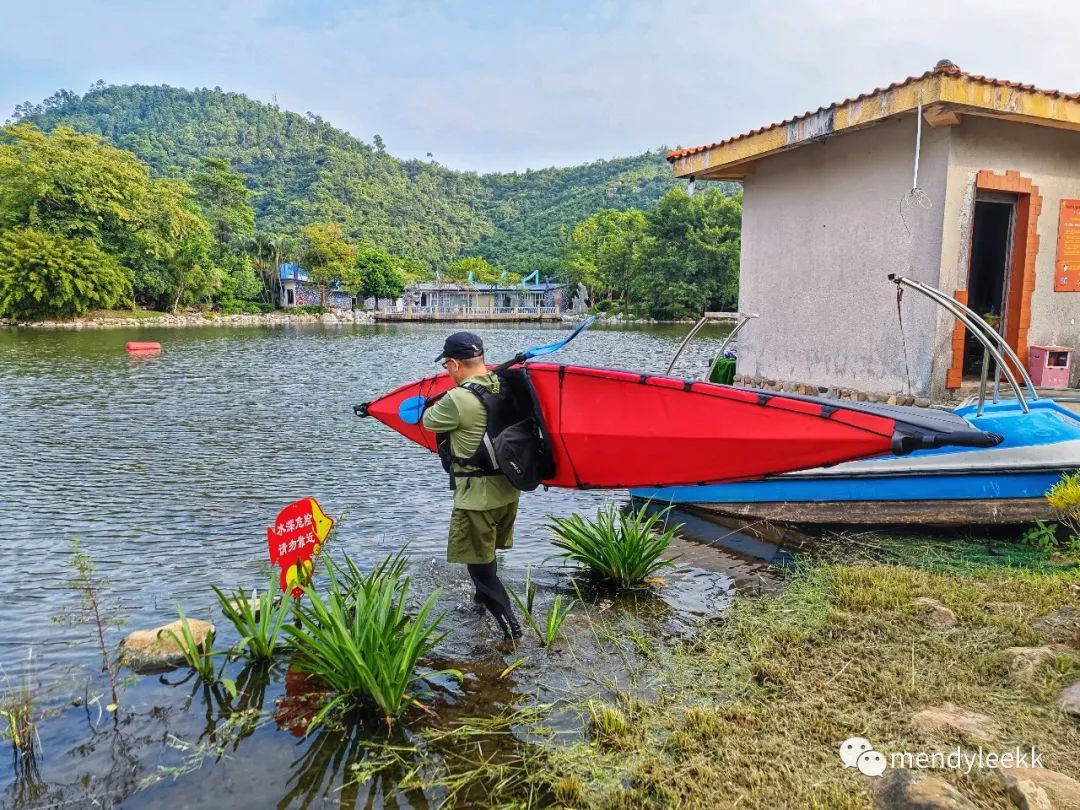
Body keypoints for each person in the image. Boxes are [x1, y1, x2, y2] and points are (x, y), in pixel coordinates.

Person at [422, 331, 522, 640]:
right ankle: (479, 607)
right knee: (487, 555)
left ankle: (513, 633)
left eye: (446, 367)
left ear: (453, 364)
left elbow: (428, 421)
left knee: (479, 571)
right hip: (508, 492)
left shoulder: (458, 398)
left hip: (477, 499)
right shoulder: (502, 384)